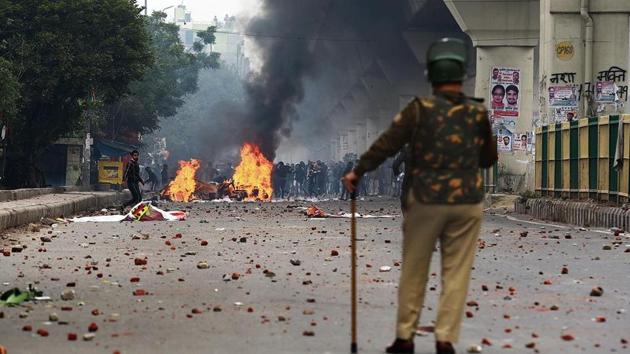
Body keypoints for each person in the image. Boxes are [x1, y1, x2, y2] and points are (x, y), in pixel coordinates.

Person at [342, 38, 498, 354]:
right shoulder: (477, 113)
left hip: (425, 202)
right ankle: (444, 339)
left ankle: (405, 337)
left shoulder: (418, 111)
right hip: (466, 204)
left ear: (431, 77)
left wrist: (357, 172)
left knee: (414, 269)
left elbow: (385, 145)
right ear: (461, 75)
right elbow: (489, 159)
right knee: (455, 273)